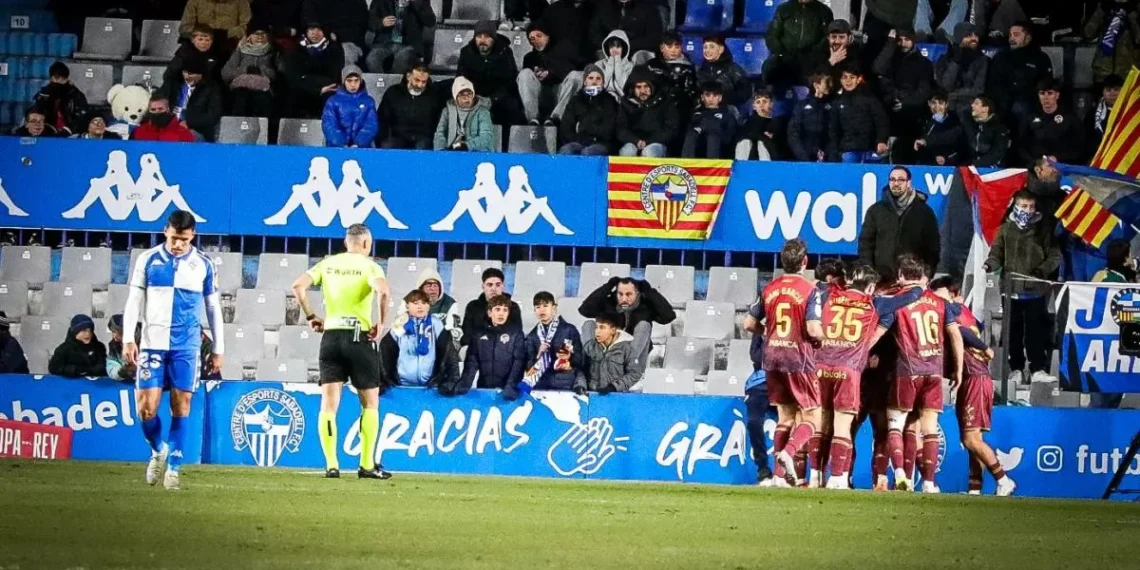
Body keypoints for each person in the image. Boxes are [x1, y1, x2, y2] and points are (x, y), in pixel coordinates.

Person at [121, 211, 224, 490]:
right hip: (153, 343)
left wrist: (218, 347)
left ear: (192, 235)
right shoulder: (148, 259)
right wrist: (128, 338)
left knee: (182, 406)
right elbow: (133, 300)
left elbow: (213, 307)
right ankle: (158, 450)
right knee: (146, 409)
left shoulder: (203, 264)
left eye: (184, 239)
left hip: (186, 346)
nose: (178, 244)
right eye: (174, 237)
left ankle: (174, 470)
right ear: (166, 230)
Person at [291, 223, 391, 480]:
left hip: (331, 336)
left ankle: (332, 465)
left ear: (346, 243)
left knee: (329, 405)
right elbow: (383, 292)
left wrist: (312, 315)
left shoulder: (327, 264)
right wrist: (380, 323)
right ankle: (366, 465)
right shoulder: (370, 266)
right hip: (359, 336)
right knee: (370, 403)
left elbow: (298, 287)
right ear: (367, 244)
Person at [876, 254, 966, 493]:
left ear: (901, 276)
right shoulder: (940, 302)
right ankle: (929, 483)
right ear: (924, 277)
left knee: (895, 423)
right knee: (929, 428)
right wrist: (957, 370)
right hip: (934, 372)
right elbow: (956, 335)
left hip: (907, 370)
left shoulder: (898, 301)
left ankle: (901, 475)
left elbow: (878, 333)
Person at [930, 276, 1017, 497]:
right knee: (973, 439)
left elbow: (963, 332)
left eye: (936, 291)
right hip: (976, 377)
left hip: (974, 378)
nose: (931, 295)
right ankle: (975, 488)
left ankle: (1003, 479)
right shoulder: (965, 310)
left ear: (950, 292)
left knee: (970, 439)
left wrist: (984, 347)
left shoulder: (949, 308)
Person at [751, 239, 824, 487]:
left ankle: (778, 478)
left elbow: (749, 324)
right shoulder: (810, 289)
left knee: (785, 416)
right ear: (805, 262)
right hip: (798, 358)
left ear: (783, 262)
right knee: (813, 417)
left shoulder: (769, 288)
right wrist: (823, 339)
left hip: (772, 357)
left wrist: (769, 332)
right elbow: (814, 329)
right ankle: (789, 452)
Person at [813, 263, 881, 489]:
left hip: (821, 366)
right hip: (848, 369)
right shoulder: (874, 304)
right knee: (842, 426)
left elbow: (821, 286)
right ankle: (838, 477)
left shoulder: (829, 297)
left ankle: (815, 476)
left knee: (820, 424)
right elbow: (907, 297)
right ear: (871, 287)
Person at [983, 190, 1061, 385]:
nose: (1028, 210)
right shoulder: (1005, 229)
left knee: (1036, 331)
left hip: (1035, 290)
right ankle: (1016, 369)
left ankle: (1037, 369)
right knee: (1013, 332)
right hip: (1010, 291)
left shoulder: (1043, 229)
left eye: (1031, 207)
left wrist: (1041, 272)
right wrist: (989, 265)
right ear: (1015, 206)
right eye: (1024, 206)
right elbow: (996, 254)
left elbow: (1054, 256)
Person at [858, 166, 941, 278]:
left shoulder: (925, 212)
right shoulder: (876, 210)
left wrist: (927, 275)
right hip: (881, 280)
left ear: (909, 183)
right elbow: (865, 244)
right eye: (892, 180)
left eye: (901, 180)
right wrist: (869, 273)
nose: (896, 183)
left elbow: (932, 248)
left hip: (912, 280)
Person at [578, 275, 675, 364]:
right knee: (589, 324)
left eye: (629, 294)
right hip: (605, 352)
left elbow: (668, 316)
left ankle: (624, 361)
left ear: (637, 293)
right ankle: (596, 358)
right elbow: (584, 310)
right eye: (620, 294)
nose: (624, 298)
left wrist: (649, 291)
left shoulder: (645, 307)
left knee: (644, 325)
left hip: (632, 358)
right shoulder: (608, 304)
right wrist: (607, 286)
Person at [382, 289, 462, 393]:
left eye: (424, 303)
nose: (420, 306)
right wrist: (384, 380)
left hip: (431, 387)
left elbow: (449, 354)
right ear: (407, 306)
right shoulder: (398, 325)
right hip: (402, 386)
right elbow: (385, 355)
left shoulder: (437, 324)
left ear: (429, 306)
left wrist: (452, 380)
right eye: (415, 303)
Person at [872, 28, 934, 160]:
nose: (903, 43)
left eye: (907, 40)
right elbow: (877, 68)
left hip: (912, 118)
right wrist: (890, 44)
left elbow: (923, 92)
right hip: (889, 114)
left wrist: (905, 103)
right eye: (899, 40)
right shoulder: (890, 59)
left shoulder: (923, 63)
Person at [513, 291, 586, 397]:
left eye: (545, 306)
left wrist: (570, 359)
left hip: (565, 385)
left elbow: (580, 360)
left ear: (554, 308)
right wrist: (538, 355)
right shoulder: (532, 336)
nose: (541, 310)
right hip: (540, 387)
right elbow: (528, 366)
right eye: (538, 307)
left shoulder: (569, 330)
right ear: (534, 310)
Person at [987, 22, 1053, 128]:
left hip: (1029, 102)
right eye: (1010, 35)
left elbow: (1045, 84)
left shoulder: (1040, 58)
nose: (1011, 39)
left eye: (1016, 35)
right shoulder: (1001, 57)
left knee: (1021, 109)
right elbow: (993, 84)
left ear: (1028, 38)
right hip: (1002, 102)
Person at [457, 21, 523, 126]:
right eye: (479, 36)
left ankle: (507, 140)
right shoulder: (466, 52)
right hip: (474, 96)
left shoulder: (505, 52)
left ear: (494, 39)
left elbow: (510, 81)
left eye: (487, 37)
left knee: (511, 106)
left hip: (499, 97)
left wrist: (492, 100)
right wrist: (473, 97)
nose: (482, 40)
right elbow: (461, 79)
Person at [518, 21, 583, 125]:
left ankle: (556, 119)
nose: (536, 40)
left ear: (548, 36)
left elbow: (571, 71)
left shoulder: (564, 51)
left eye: (539, 36)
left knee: (577, 76)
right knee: (524, 74)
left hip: (561, 93)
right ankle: (533, 120)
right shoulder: (529, 57)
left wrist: (550, 73)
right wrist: (537, 75)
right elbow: (527, 83)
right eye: (532, 38)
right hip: (540, 95)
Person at [459, 294, 528, 391]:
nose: (501, 313)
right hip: (484, 390)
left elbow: (519, 362)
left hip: (507, 392)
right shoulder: (478, 335)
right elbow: (471, 362)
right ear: (489, 313)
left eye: (505, 310)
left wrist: (511, 386)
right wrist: (464, 384)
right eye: (497, 309)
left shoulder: (516, 334)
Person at [763, 0, 833, 89]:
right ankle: (770, 99)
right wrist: (780, 54)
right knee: (769, 67)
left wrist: (813, 56)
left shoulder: (824, 11)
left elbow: (826, 39)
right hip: (785, 57)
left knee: (821, 76)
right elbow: (772, 35)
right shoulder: (784, 9)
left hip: (811, 60)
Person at [828, 64, 889, 163]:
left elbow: (881, 121)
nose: (848, 81)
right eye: (845, 77)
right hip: (848, 151)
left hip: (871, 149)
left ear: (858, 79)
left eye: (852, 77)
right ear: (841, 80)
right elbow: (833, 130)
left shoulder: (870, 98)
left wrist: (881, 140)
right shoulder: (837, 102)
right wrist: (835, 151)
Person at [282, 22, 345, 118]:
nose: (314, 33)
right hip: (304, 88)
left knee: (331, 95)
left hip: (327, 87)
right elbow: (293, 76)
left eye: (318, 30)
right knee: (293, 94)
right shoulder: (296, 49)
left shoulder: (334, 49)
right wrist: (318, 89)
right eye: (311, 29)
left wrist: (317, 85)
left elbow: (332, 76)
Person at [1018, 77, 1084, 166]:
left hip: (1062, 166)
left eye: (1050, 93)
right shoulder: (1029, 117)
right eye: (1042, 93)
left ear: (1057, 95)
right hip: (1036, 166)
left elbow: (1078, 147)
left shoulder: (1070, 118)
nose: (1046, 98)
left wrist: (1057, 158)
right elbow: (1021, 145)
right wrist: (1034, 164)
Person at [558, 65, 622, 155]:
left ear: (603, 83)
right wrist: (577, 139)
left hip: (602, 143)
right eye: (591, 78)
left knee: (588, 152)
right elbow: (566, 126)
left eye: (598, 79)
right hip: (578, 141)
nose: (594, 81)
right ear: (585, 82)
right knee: (566, 150)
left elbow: (609, 130)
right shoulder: (576, 100)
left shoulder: (610, 101)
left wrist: (587, 129)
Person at [377, 64, 442, 150]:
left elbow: (437, 120)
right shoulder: (394, 92)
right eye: (417, 80)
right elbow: (382, 118)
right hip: (398, 137)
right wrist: (382, 139)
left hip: (423, 138)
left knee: (423, 148)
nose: (420, 85)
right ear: (408, 76)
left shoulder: (433, 95)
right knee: (388, 147)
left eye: (424, 82)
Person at [637, 32, 697, 122]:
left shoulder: (688, 68)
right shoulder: (651, 65)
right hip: (654, 107)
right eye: (669, 47)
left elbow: (690, 91)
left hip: (678, 109)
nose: (673, 50)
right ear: (662, 48)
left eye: (677, 47)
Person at [220, 23, 278, 117]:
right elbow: (226, 73)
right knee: (241, 96)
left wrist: (261, 70)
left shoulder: (273, 52)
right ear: (249, 36)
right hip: (240, 90)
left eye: (263, 33)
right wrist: (245, 70)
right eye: (256, 34)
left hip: (263, 90)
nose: (260, 37)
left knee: (260, 97)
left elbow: (275, 74)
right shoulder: (240, 51)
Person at [164, 53, 224, 141]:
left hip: (196, 130)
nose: (187, 77)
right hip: (171, 126)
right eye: (185, 72)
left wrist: (189, 122)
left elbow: (213, 116)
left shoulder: (212, 88)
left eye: (192, 74)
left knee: (182, 137)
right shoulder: (175, 85)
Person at [934, 22, 989, 119]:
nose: (974, 38)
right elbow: (946, 85)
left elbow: (978, 89)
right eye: (969, 35)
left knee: (961, 109)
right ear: (959, 38)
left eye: (976, 35)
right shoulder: (945, 59)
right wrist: (956, 61)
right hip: (949, 101)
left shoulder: (982, 60)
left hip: (969, 102)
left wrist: (954, 95)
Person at [365, 0, 435, 74]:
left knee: (402, 58)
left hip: (409, 44)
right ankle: (383, 82)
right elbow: (370, 23)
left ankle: (396, 84)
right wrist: (381, 23)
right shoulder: (379, 1)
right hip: (384, 44)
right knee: (371, 59)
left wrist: (417, 4)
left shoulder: (420, 1)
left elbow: (430, 22)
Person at [580, 312, 644, 393]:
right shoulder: (591, 347)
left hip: (616, 397)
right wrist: (581, 385)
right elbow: (581, 370)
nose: (597, 332)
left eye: (602, 327)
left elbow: (635, 374)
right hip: (594, 395)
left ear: (613, 330)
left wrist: (615, 387)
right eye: (596, 327)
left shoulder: (626, 349)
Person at [617, 72, 677, 157]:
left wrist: (648, 141)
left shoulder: (664, 102)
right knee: (627, 152)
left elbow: (670, 129)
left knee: (649, 152)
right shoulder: (626, 103)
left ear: (652, 87)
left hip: (657, 142)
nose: (643, 90)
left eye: (646, 86)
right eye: (638, 87)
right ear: (633, 89)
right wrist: (636, 141)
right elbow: (621, 129)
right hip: (633, 142)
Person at [461, 268, 523, 347]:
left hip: (504, 348)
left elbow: (516, 334)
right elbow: (467, 335)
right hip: (477, 348)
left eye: (498, 285)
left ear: (503, 286)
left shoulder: (512, 306)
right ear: (483, 286)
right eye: (489, 285)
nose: (493, 288)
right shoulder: (473, 306)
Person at [1083, 1, 1140, 85]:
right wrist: (1101, 11)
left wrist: (1132, 16)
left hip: (1129, 74)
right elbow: (1088, 33)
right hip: (1103, 72)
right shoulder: (1103, 6)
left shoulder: (1136, 7)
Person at [322, 65, 379, 148]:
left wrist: (358, 143)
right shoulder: (333, 101)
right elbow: (329, 125)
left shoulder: (369, 101)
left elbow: (371, 125)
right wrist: (341, 144)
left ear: (361, 81)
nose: (353, 84)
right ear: (343, 81)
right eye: (349, 81)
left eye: (356, 80)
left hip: (362, 148)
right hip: (337, 148)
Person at [433, 76, 494, 152]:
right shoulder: (447, 111)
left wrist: (467, 146)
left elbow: (486, 137)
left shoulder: (482, 112)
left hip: (478, 153)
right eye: (462, 94)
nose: (466, 98)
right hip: (453, 152)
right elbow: (440, 133)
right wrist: (441, 150)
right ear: (455, 97)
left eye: (469, 94)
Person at [588, 0, 662, 61]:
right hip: (607, 52)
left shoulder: (648, 9)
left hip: (636, 54)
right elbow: (594, 33)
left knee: (642, 57)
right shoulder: (603, 6)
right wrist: (610, 45)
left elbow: (654, 38)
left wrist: (626, 45)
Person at [395, 267, 462, 334]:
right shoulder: (408, 301)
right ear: (421, 289)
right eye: (429, 286)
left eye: (435, 286)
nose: (432, 289)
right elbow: (398, 326)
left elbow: (452, 328)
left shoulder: (450, 303)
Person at [681, 82, 737, 159]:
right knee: (691, 135)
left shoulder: (726, 114)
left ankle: (712, 167)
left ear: (720, 98)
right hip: (698, 144)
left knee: (712, 136)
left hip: (720, 145)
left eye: (715, 95)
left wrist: (711, 127)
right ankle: (687, 164)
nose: (711, 98)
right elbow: (686, 131)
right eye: (708, 95)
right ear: (702, 97)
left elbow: (730, 135)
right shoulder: (695, 114)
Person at [301, 0, 368, 63]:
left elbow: (360, 28)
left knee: (343, 55)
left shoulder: (357, 2)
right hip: (317, 39)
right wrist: (313, 28)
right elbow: (307, 18)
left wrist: (335, 35)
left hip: (347, 42)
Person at [31, 61, 88, 135]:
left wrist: (68, 130)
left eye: (63, 78)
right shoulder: (43, 95)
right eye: (57, 77)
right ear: (51, 78)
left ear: (67, 79)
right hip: (46, 132)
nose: (59, 81)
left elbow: (82, 119)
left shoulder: (77, 96)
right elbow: (36, 114)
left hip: (72, 135)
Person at [695, 36, 751, 110]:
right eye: (705, 47)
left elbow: (745, 92)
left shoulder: (732, 68)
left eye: (712, 47)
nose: (707, 50)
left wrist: (724, 98)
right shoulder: (701, 71)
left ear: (721, 49)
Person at [788, 72, 833, 162]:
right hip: (805, 156)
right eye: (826, 82)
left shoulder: (832, 105)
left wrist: (829, 153)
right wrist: (803, 157)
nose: (830, 85)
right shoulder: (801, 106)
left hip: (828, 157)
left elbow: (833, 133)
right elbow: (793, 134)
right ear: (816, 85)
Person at [914, 90, 964, 166]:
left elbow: (955, 142)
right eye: (934, 103)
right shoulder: (922, 121)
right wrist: (933, 157)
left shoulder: (955, 121)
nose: (937, 107)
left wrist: (946, 157)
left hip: (951, 165)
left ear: (946, 104)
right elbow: (919, 147)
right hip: (927, 165)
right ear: (929, 104)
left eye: (941, 103)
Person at [735, 90, 786, 161]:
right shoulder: (748, 122)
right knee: (745, 142)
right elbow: (744, 137)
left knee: (762, 144)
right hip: (750, 158)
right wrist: (764, 136)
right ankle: (741, 168)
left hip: (771, 158)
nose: (761, 105)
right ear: (754, 106)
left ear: (771, 104)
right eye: (758, 102)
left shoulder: (777, 123)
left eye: (764, 102)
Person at [962, 96, 1010, 167]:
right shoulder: (973, 124)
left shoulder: (999, 127)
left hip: (991, 167)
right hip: (973, 164)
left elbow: (997, 152)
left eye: (976, 103)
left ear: (985, 109)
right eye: (972, 103)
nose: (972, 105)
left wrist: (977, 164)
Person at [1087, 74, 1125, 160]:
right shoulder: (1092, 114)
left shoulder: (1130, 112)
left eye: (1116, 90)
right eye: (1108, 90)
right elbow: (1088, 140)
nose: (1112, 93)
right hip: (1099, 157)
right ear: (1103, 92)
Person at [132, 95, 197, 142]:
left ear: (168, 110)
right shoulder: (138, 132)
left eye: (160, 109)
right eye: (153, 109)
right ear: (149, 111)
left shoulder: (183, 133)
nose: (157, 112)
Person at [180, 0, 252, 43]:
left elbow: (245, 27)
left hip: (229, 43)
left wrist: (224, 34)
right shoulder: (194, 2)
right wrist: (203, 35)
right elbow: (185, 28)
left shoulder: (242, 2)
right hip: (199, 44)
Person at [595, 30, 635, 101]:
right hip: (603, 99)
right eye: (611, 46)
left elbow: (626, 89)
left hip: (623, 100)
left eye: (618, 46)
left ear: (624, 48)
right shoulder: (599, 64)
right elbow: (598, 87)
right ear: (607, 48)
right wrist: (610, 65)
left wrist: (618, 65)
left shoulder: (630, 66)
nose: (614, 50)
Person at [105, 314, 138, 383]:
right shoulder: (114, 345)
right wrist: (122, 372)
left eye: (116, 332)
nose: (114, 336)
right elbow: (111, 366)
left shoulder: (146, 341)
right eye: (112, 332)